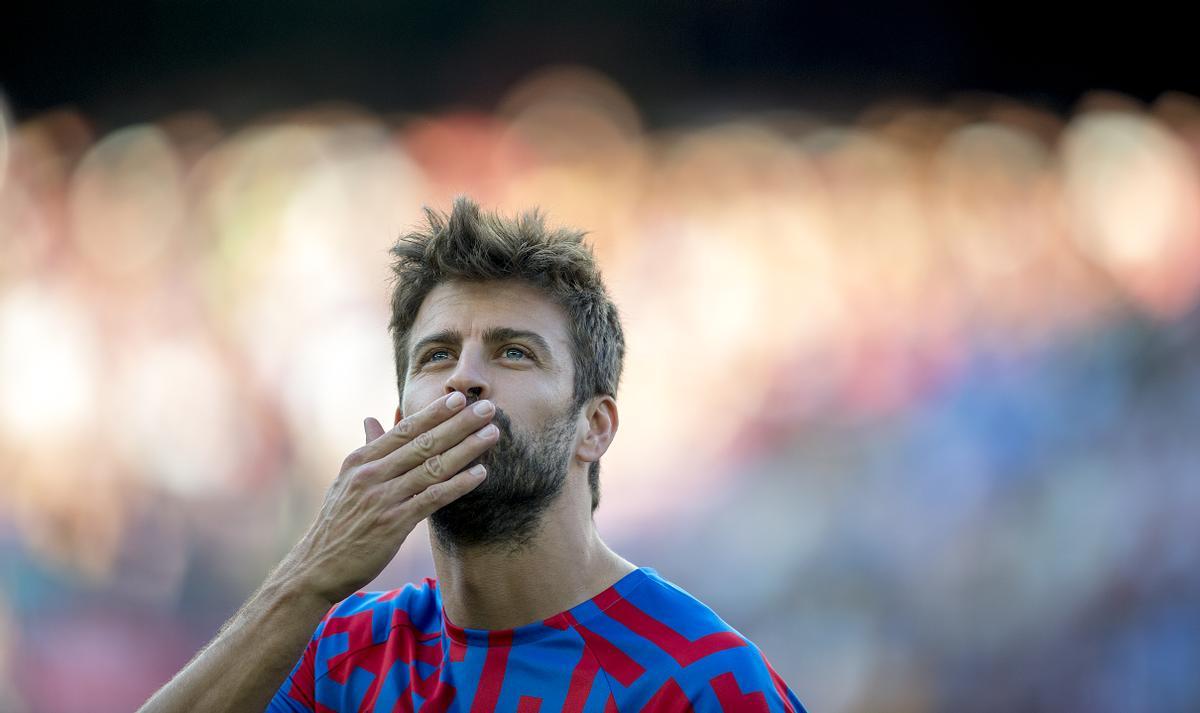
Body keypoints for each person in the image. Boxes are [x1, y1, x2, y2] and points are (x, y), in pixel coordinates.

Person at [137, 197, 807, 712]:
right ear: (402, 421)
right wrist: (308, 575)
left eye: (515, 350)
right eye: (437, 355)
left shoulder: (698, 680)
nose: (464, 377)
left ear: (594, 426)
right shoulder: (345, 654)